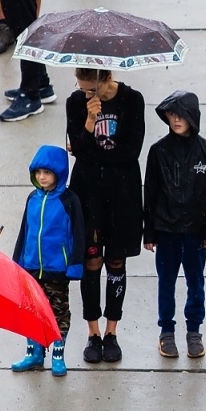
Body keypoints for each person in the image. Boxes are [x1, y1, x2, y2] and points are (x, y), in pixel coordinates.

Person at [65, 67, 145, 363]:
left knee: (116, 261)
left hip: (122, 195)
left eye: (91, 88)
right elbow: (78, 150)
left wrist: (91, 152)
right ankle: (93, 332)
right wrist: (89, 121)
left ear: (106, 78)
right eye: (82, 88)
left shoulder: (132, 100)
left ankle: (112, 331)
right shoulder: (76, 102)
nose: (86, 93)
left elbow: (131, 151)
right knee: (91, 260)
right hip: (88, 195)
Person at [143, 91, 206, 361]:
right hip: (166, 231)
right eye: (171, 115)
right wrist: (149, 232)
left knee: (196, 283)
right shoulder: (158, 151)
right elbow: (150, 192)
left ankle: (194, 331)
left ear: (192, 117)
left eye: (181, 115)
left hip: (196, 232)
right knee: (166, 282)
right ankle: (166, 330)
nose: (176, 120)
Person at [10, 144, 84, 377]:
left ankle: (58, 356)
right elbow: (25, 231)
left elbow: (78, 234)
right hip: (32, 267)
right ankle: (34, 353)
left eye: (48, 172)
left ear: (59, 173)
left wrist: (75, 264)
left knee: (59, 312)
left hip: (57, 270)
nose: (42, 177)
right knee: (31, 312)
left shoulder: (69, 201)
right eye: (38, 172)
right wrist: (18, 261)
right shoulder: (32, 198)